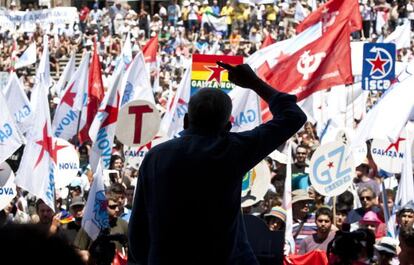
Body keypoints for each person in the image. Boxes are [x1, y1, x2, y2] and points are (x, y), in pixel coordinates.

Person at [128, 62, 307, 265]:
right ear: (228, 127)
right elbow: (294, 116)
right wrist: (254, 83)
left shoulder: (155, 157)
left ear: (186, 121)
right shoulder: (233, 150)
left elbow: (139, 226)